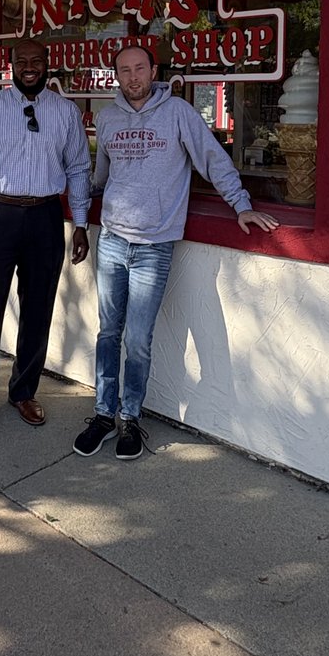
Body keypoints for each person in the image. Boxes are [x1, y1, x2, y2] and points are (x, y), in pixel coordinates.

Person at [74, 44, 279, 461]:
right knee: (108, 333)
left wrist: (241, 205)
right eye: (124, 71)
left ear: (153, 71)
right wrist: (72, 197)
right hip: (112, 241)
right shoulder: (110, 118)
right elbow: (102, 175)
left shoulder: (179, 114)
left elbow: (213, 160)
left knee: (138, 338)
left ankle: (130, 418)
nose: (132, 77)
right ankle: (102, 415)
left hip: (154, 247)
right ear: (116, 76)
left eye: (139, 69)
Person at [0, 40, 91, 440]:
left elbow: (79, 168)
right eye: (22, 61)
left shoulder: (65, 112)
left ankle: (24, 391)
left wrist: (80, 223)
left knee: (38, 309)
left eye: (37, 61)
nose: (30, 67)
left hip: (45, 217)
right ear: (9, 66)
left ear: (48, 64)